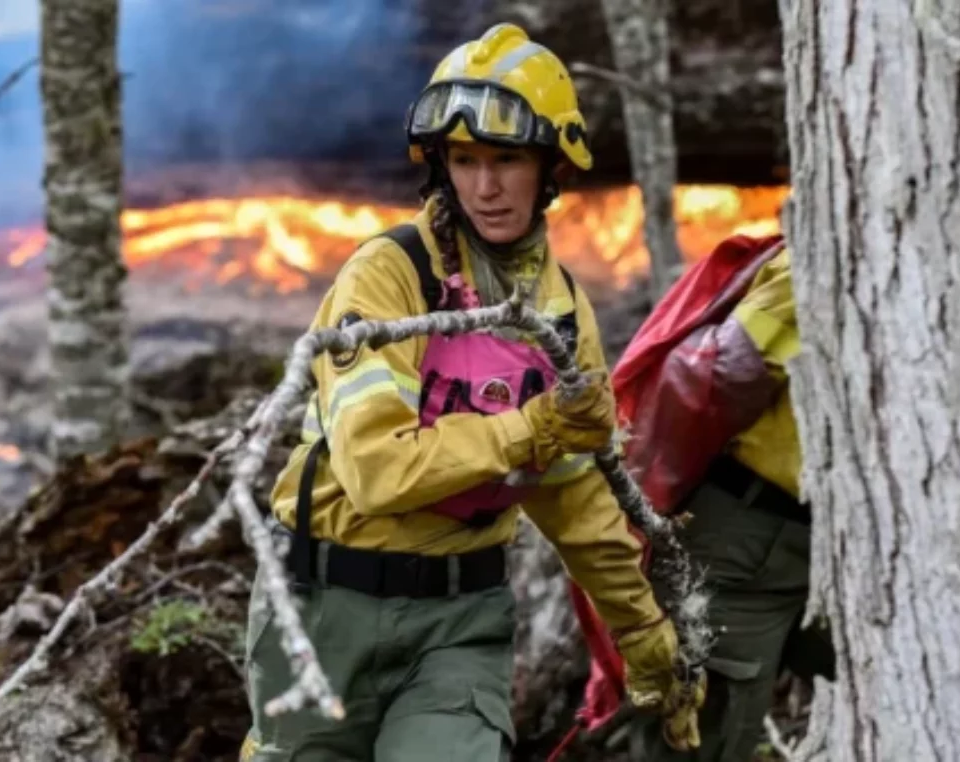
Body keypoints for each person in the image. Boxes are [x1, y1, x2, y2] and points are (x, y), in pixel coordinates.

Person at [239, 22, 704, 762]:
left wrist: (645, 636)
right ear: (441, 166)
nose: (485, 186)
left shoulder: (561, 314)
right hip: (325, 609)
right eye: (465, 160)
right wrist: (535, 427)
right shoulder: (387, 278)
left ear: (551, 166)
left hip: (460, 621)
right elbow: (376, 471)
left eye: (507, 159)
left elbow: (577, 499)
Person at [621, 240, 837, 760]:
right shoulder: (822, 255)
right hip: (745, 540)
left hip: (828, 550)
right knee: (701, 735)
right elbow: (719, 374)